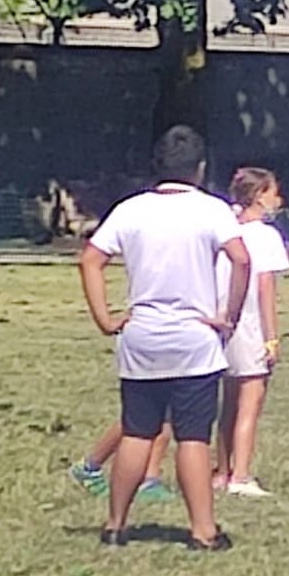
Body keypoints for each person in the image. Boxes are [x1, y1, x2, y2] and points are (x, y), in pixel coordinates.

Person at [79, 126, 250, 550]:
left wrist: (105, 319)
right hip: (194, 337)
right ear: (200, 168)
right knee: (192, 437)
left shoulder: (131, 209)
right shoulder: (211, 210)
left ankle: (116, 524)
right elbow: (241, 260)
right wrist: (228, 315)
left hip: (142, 336)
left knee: (138, 431)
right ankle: (203, 530)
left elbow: (91, 260)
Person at [216, 167, 289, 498]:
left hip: (223, 321)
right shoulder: (266, 236)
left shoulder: (226, 231)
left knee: (228, 403)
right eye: (274, 192)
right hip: (249, 324)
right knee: (251, 401)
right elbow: (265, 289)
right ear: (259, 196)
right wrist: (271, 337)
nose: (278, 199)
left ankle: (222, 470)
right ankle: (241, 475)